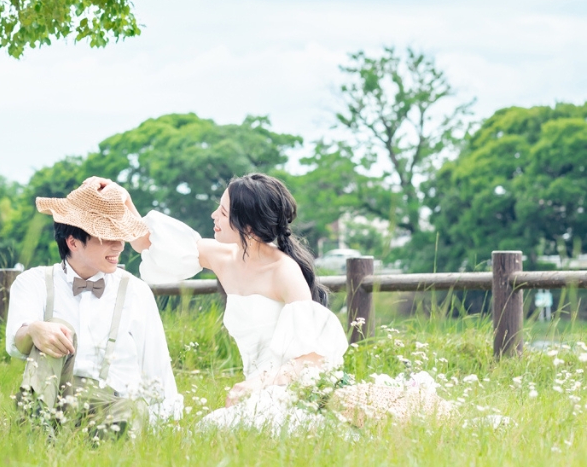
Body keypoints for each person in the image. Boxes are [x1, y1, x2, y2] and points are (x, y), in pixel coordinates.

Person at [123, 173, 451, 431]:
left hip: (288, 387)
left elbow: (311, 361)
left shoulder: (285, 272)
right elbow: (150, 243)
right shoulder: (223, 256)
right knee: (212, 428)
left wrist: (258, 384)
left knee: (216, 428)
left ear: (248, 226)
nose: (213, 216)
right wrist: (122, 201)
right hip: (252, 389)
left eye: (222, 212)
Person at [6, 177, 183, 438]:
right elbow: (15, 343)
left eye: (120, 236)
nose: (119, 245)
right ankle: (33, 437)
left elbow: (157, 368)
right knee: (54, 329)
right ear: (73, 242)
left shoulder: (136, 291)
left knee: (130, 413)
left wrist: (171, 426)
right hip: (53, 398)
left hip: (114, 405)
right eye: (107, 236)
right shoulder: (33, 282)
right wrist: (34, 330)